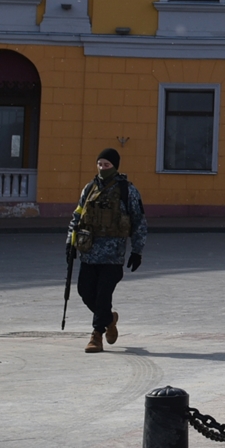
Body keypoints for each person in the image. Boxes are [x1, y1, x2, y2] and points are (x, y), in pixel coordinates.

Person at [66, 148, 148, 353]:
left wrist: (137, 251)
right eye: (100, 164)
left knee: (103, 294)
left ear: (115, 166)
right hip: (89, 251)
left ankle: (96, 335)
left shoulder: (127, 190)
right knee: (84, 291)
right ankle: (110, 319)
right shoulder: (89, 189)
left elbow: (139, 222)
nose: (103, 168)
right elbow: (77, 216)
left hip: (113, 255)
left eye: (107, 165)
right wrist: (70, 242)